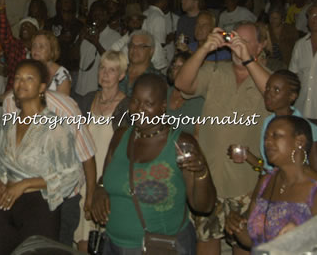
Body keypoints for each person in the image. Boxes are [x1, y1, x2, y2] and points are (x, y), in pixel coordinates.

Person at [91, 73, 216, 255]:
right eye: (135, 101)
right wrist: (100, 189)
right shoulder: (121, 136)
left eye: (148, 104)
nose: (139, 109)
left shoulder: (180, 143)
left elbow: (203, 206)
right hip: (113, 245)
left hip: (157, 248)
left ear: (162, 106)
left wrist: (202, 172)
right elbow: (107, 177)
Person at [174, 22, 270, 255]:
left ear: (260, 45)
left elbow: (274, 95)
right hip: (210, 180)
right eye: (236, 39)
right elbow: (181, 83)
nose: (238, 46)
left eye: (245, 42)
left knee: (244, 245)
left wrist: (248, 59)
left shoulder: (269, 77)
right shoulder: (217, 70)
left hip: (245, 184)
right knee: (206, 242)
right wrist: (205, 48)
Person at [0, 60, 82, 255]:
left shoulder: (54, 126)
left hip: (39, 209)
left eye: (28, 78)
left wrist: (25, 184)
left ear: (42, 87)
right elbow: (1, 164)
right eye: (17, 78)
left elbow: (72, 175)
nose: (21, 83)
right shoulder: (9, 123)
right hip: (7, 205)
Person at [224, 116, 317, 250]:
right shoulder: (266, 182)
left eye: (276, 135)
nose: (267, 142)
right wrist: (236, 226)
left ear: (300, 141)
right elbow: (253, 240)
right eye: (266, 137)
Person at [75, 50, 130, 252]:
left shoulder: (127, 107)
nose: (105, 74)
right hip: (84, 181)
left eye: (112, 70)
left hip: (110, 184)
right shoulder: (87, 100)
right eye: (102, 68)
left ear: (121, 75)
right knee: (83, 243)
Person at [229, 70, 317, 176]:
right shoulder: (268, 123)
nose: (268, 94)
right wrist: (247, 156)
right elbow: (269, 170)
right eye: (267, 88)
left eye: (276, 90)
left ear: (292, 96)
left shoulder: (307, 128)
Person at [75, 0, 121, 97]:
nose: (97, 16)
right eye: (94, 13)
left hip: (98, 92)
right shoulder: (85, 32)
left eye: (101, 14)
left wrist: (96, 43)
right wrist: (80, 40)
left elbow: (113, 62)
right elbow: (72, 58)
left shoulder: (115, 37)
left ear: (108, 16)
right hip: (79, 89)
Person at [0, 0, 38, 95]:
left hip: (33, 95)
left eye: (28, 25)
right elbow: (4, 32)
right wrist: (2, 9)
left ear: (35, 31)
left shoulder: (39, 50)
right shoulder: (14, 46)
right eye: (22, 26)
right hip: (13, 94)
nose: (24, 27)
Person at [165, 51, 204, 135]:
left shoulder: (199, 100)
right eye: (174, 66)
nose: (177, 70)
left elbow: (198, 135)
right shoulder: (164, 93)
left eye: (182, 66)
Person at [45, 0, 83, 75]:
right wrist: (58, 39)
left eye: (69, 2)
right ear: (58, 4)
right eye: (64, 1)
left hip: (73, 69)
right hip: (53, 67)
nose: (66, 4)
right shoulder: (50, 23)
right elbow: (44, 42)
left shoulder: (79, 25)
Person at [117, 30, 163, 96]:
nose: (135, 49)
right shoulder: (116, 72)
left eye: (141, 46)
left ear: (151, 51)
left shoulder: (158, 80)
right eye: (132, 45)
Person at [31, 30, 71, 95]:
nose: (36, 49)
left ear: (52, 51)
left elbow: (62, 103)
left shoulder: (62, 75)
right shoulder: (28, 70)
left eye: (41, 46)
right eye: (34, 45)